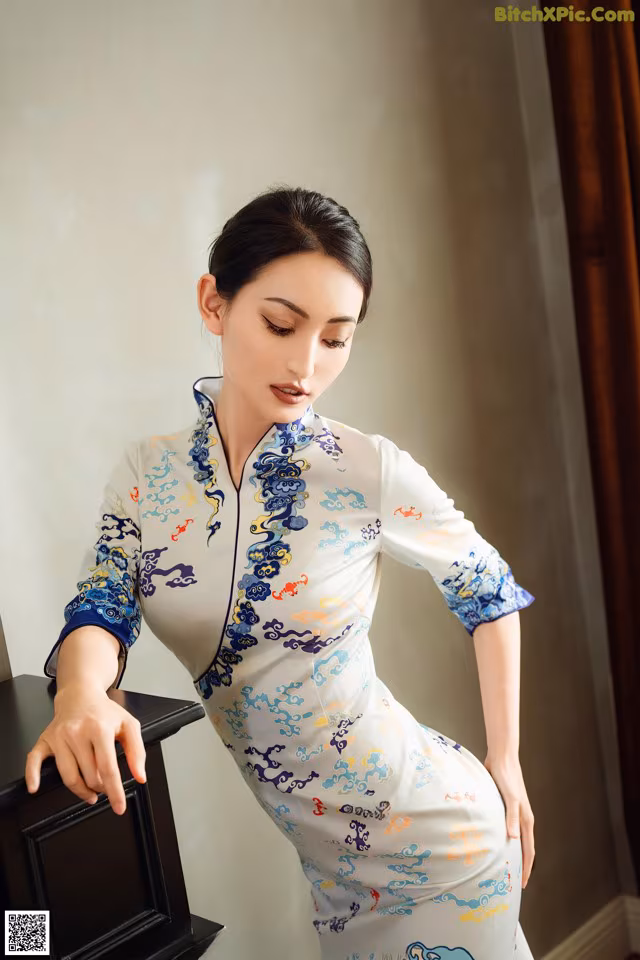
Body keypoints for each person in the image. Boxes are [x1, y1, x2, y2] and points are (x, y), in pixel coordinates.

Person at [25, 186, 536, 960]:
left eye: (336, 339)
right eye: (280, 324)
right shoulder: (146, 476)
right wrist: (79, 695)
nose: (306, 365)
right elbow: (101, 608)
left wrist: (506, 763)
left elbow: (489, 592)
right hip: (335, 879)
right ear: (214, 303)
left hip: (440, 849)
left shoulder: (365, 470)